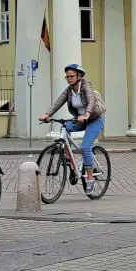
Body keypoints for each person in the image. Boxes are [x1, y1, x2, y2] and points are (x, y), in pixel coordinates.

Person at [40, 63, 106, 194]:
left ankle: (91, 179)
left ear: (79, 76)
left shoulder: (86, 86)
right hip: (80, 119)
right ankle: (67, 157)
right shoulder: (69, 90)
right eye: (67, 77)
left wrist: (86, 114)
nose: (69, 79)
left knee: (85, 147)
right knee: (65, 128)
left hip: (93, 119)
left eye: (71, 76)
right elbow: (58, 102)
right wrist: (48, 114)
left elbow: (91, 101)